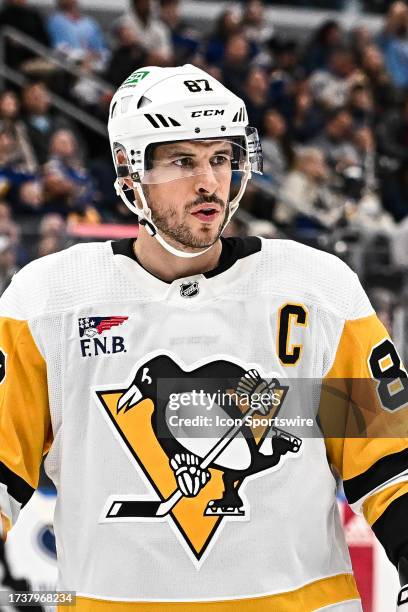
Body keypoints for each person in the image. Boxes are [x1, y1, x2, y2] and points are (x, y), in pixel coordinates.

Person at [0, 64, 407, 612]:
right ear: (128, 169)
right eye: (182, 160)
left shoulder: (316, 290)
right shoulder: (49, 300)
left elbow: (389, 461)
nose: (209, 182)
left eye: (221, 158)